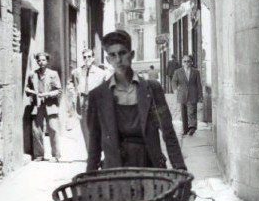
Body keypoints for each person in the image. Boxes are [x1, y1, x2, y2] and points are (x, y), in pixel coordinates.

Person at [86, 30, 186, 172]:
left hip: (150, 169)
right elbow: (94, 144)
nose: (118, 60)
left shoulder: (152, 90)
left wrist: (180, 169)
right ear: (108, 60)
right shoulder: (98, 96)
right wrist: (90, 180)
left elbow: (168, 133)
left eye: (122, 53)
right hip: (115, 173)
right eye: (113, 55)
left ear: (131, 55)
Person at [25, 52, 62, 162]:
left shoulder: (53, 74)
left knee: (53, 129)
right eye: (39, 60)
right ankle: (39, 155)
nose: (41, 62)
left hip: (51, 105)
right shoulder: (32, 75)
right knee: (36, 130)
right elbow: (27, 89)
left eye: (43, 60)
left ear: (47, 61)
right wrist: (32, 92)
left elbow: (59, 91)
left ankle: (56, 155)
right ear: (37, 61)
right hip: (37, 106)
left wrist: (46, 94)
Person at [69, 48, 107, 150]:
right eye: (84, 57)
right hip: (83, 101)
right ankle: (90, 154)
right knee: (85, 129)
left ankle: (98, 152)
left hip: (95, 102)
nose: (87, 59)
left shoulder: (101, 73)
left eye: (89, 57)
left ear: (93, 58)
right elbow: (71, 84)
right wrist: (73, 92)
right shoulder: (77, 72)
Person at [172, 56, 203, 136]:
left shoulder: (196, 72)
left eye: (188, 61)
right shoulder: (177, 72)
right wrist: (175, 90)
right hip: (182, 94)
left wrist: (200, 95)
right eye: (185, 61)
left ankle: (192, 127)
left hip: (193, 93)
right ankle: (185, 130)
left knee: (192, 111)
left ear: (191, 62)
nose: (186, 63)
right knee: (183, 112)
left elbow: (199, 84)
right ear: (182, 63)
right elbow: (174, 82)